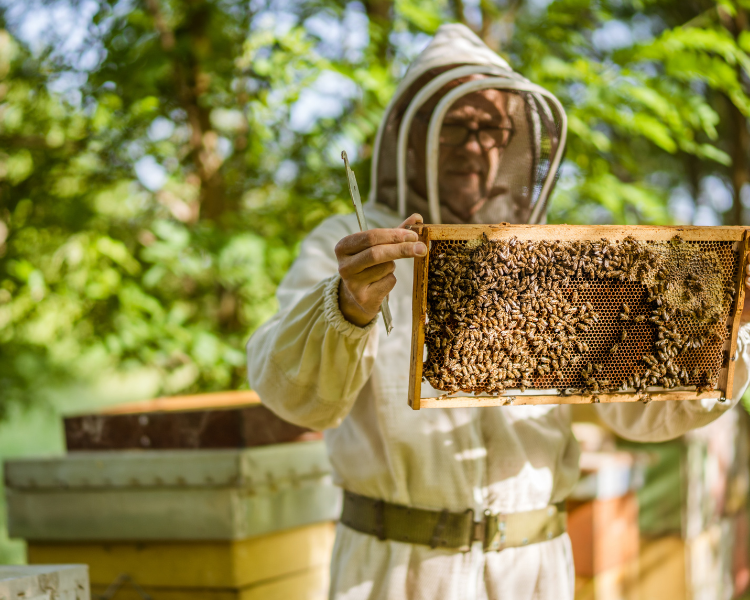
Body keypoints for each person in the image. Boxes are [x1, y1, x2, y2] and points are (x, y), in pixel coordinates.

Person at [247, 24, 750, 600]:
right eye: (455, 126)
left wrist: (722, 327)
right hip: (395, 573)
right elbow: (292, 393)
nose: (474, 143)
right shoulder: (350, 239)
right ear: (412, 138)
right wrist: (348, 305)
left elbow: (640, 414)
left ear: (516, 145)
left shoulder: (557, 256)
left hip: (533, 572)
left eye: (493, 129)